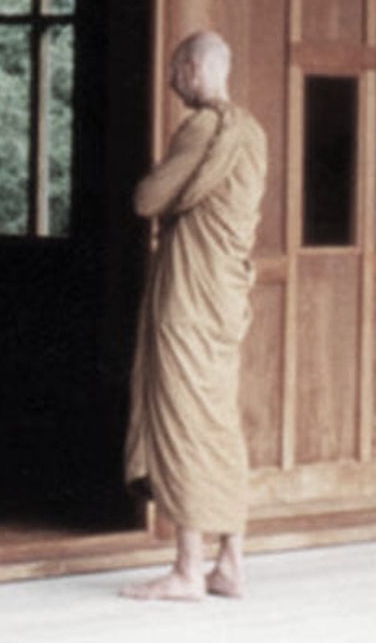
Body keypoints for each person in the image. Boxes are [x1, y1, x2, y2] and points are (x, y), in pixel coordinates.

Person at [122, 30, 266, 602]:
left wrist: (170, 194)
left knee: (184, 419)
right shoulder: (252, 132)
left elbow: (147, 199)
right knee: (219, 421)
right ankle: (230, 561)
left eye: (175, 71)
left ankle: (187, 567)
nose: (170, 82)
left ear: (190, 67)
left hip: (190, 296)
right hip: (224, 298)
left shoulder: (206, 129)